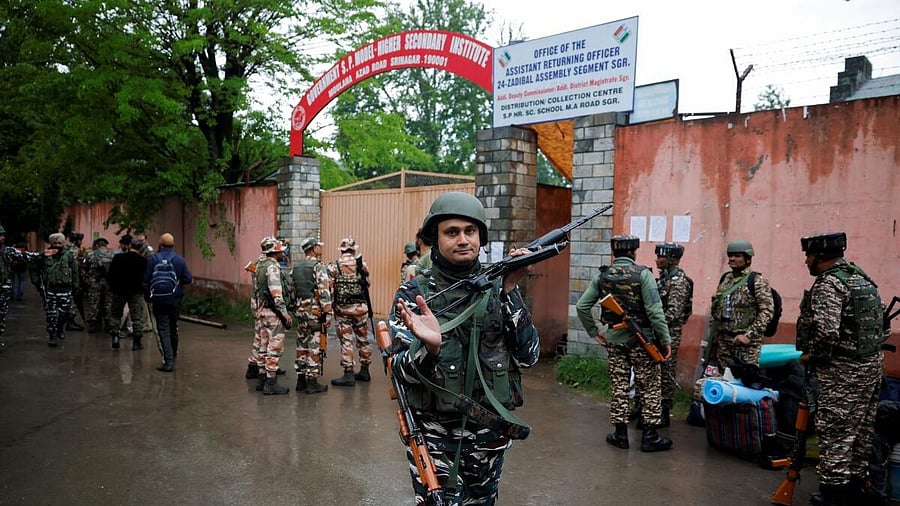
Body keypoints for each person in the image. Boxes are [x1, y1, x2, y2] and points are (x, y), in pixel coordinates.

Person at [389, 191, 540, 505]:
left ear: (480, 237)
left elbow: (529, 356)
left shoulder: (500, 286)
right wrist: (429, 349)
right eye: (452, 232)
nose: (463, 240)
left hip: (489, 435)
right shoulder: (414, 293)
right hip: (434, 436)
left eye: (470, 231)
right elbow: (398, 372)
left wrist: (510, 290)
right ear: (435, 238)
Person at [797, 232, 887, 504]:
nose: (806, 261)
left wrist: (812, 356)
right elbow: (881, 325)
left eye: (809, 256)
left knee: (835, 431)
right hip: (870, 367)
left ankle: (833, 492)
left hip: (843, 373)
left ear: (820, 256)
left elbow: (826, 333)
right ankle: (857, 487)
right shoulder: (861, 279)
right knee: (860, 431)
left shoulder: (830, 284)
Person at [576, 235, 673, 452]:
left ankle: (620, 435)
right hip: (642, 341)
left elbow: (582, 306)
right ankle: (650, 436)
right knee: (649, 386)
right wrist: (665, 339)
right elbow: (655, 311)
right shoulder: (643, 274)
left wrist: (595, 332)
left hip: (614, 340)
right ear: (633, 252)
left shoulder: (602, 276)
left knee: (619, 386)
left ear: (614, 252)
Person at [708, 240, 775, 371]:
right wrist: (714, 338)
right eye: (730, 255)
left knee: (746, 378)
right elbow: (717, 309)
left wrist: (748, 335)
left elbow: (767, 311)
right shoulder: (725, 279)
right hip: (724, 342)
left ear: (748, 259)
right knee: (724, 378)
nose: (732, 259)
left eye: (737, 256)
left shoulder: (756, 281)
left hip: (746, 344)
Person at [654, 242, 694, 427]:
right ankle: (644, 405)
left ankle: (664, 410)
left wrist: (654, 322)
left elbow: (674, 313)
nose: (657, 260)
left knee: (666, 372)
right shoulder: (663, 279)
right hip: (657, 332)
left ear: (672, 259)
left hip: (669, 334)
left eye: (661, 257)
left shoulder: (679, 282)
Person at [327, 236, 373, 387]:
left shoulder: (334, 266)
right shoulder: (361, 264)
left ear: (341, 250)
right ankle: (365, 370)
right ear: (353, 250)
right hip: (360, 309)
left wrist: (330, 308)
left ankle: (348, 373)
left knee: (346, 340)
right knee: (363, 339)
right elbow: (367, 284)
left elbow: (330, 288)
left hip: (343, 310)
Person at [144, 233, 192, 372]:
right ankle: (174, 354)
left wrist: (149, 297)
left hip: (159, 299)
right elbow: (188, 279)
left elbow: (146, 281)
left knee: (163, 329)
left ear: (160, 244)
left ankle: (168, 361)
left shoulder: (153, 259)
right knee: (173, 326)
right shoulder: (179, 260)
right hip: (175, 299)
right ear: (173, 244)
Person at [251, 236, 293, 394]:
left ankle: (262, 379)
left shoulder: (260, 265)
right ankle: (271, 383)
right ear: (275, 252)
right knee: (274, 347)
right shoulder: (272, 267)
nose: (283, 253)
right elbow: (276, 293)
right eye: (281, 251)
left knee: (263, 345)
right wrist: (284, 313)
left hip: (262, 312)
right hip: (273, 313)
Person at [290, 237, 332, 394]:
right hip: (314, 312)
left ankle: (300, 379)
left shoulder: (296, 268)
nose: (320, 248)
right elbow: (324, 291)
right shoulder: (318, 266)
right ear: (313, 248)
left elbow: (292, 290)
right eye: (318, 246)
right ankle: (312, 382)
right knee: (314, 345)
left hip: (300, 311)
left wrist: (295, 308)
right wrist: (327, 313)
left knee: (301, 344)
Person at [38, 233, 80, 347]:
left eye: (59, 243)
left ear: (63, 243)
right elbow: (36, 268)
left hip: (65, 289)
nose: (57, 245)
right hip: (50, 289)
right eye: (55, 243)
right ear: (51, 243)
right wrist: (37, 283)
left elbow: (75, 270)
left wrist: (76, 285)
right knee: (51, 315)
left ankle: (60, 328)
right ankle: (52, 336)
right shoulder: (45, 255)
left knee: (64, 313)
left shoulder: (68, 255)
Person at [107, 238, 147, 350]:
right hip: (136, 292)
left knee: (116, 315)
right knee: (137, 317)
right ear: (140, 249)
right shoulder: (143, 261)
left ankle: (115, 337)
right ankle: (136, 342)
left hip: (119, 291)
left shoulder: (118, 258)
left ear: (130, 246)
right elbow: (145, 278)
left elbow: (110, 275)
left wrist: (113, 288)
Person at [83, 238, 115, 333]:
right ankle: (108, 324)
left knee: (94, 303)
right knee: (108, 303)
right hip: (108, 283)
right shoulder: (112, 254)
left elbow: (85, 267)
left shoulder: (90, 254)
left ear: (97, 245)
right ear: (105, 245)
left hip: (95, 282)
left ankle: (93, 324)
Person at [64, 231, 86, 331]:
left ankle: (68, 320)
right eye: (80, 240)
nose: (81, 242)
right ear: (77, 240)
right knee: (73, 300)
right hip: (73, 278)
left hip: (65, 278)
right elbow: (79, 266)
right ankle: (70, 322)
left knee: (68, 299)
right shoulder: (76, 251)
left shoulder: (65, 248)